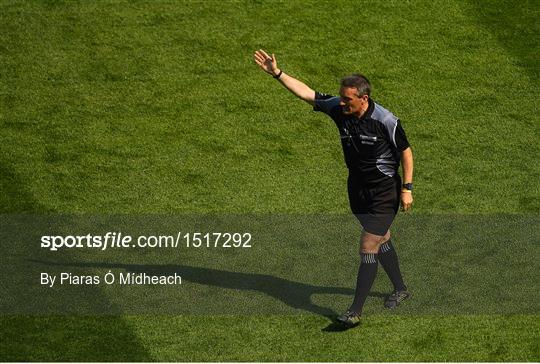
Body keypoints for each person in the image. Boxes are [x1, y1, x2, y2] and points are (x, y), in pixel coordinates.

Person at [253, 49, 414, 328]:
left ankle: (355, 312)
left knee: (368, 244)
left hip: (384, 191)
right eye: (341, 97)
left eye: (347, 99)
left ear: (363, 98)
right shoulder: (340, 109)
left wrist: (407, 188)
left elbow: (406, 152)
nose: (342, 102)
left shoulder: (385, 120)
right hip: (357, 189)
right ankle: (401, 288)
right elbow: (308, 94)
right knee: (381, 237)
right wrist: (277, 74)